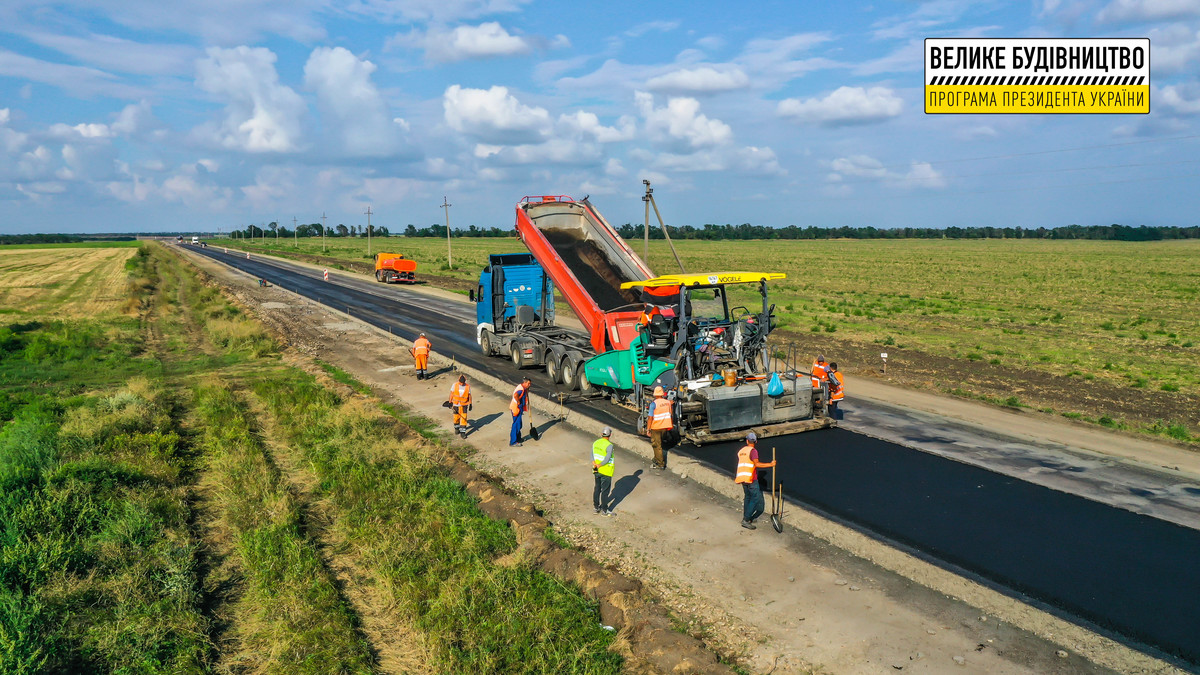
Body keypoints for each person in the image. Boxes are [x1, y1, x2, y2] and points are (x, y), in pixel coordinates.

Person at [734, 432, 775, 530]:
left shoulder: (741, 451)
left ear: (747, 440)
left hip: (742, 478)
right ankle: (746, 519)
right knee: (755, 498)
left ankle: (747, 517)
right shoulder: (753, 451)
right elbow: (756, 464)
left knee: (748, 497)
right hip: (751, 479)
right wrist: (770, 464)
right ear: (756, 441)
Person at [646, 385, 673, 470]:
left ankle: (660, 464)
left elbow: (650, 417)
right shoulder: (668, 402)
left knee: (656, 445)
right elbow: (670, 414)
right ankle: (656, 458)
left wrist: (648, 429)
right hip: (665, 426)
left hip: (656, 427)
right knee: (660, 443)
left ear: (655, 394)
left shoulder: (654, 404)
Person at [592, 427, 615, 516]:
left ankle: (596, 507)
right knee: (605, 491)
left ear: (602, 434)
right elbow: (607, 458)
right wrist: (600, 465)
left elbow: (592, 455)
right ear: (610, 435)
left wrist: (595, 463)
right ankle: (605, 510)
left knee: (597, 488)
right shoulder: (609, 445)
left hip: (596, 469)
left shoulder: (596, 443)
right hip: (606, 471)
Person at [509, 376, 531, 447]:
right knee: (516, 425)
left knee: (519, 424)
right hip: (516, 408)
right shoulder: (521, 389)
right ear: (525, 382)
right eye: (528, 384)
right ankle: (513, 442)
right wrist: (518, 402)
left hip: (518, 408)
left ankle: (518, 438)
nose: (529, 385)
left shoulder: (522, 387)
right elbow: (515, 395)